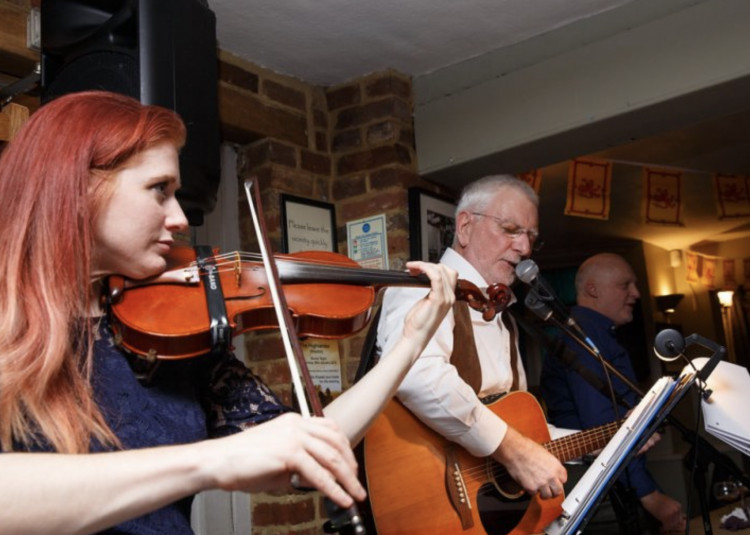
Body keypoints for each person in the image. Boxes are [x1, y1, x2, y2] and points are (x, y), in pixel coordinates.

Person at [0, 90, 458, 534]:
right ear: (78, 187)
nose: (180, 218)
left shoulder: (169, 334)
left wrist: (409, 345)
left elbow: (311, 447)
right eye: (159, 190)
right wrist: (211, 462)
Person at [376, 175, 567, 500]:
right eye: (511, 230)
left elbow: (520, 429)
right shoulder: (421, 289)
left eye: (531, 237)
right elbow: (417, 376)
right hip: (423, 498)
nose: (524, 248)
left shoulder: (506, 319)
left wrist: (609, 442)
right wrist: (513, 450)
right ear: (465, 227)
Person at [540, 253, 686, 533]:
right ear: (593, 289)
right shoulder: (583, 340)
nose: (636, 293)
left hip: (613, 482)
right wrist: (649, 494)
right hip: (599, 488)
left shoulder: (598, 336)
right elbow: (605, 428)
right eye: (625, 284)